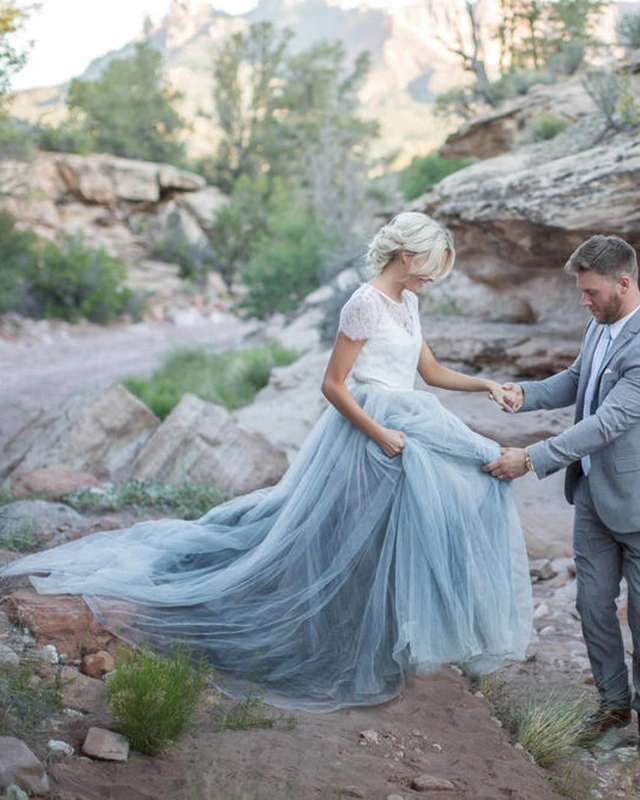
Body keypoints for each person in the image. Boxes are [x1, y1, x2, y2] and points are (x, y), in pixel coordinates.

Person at [1, 212, 532, 712]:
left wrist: (485, 383)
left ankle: (386, 639)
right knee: (335, 532)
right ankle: (317, 636)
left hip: (407, 421)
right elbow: (333, 384)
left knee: (459, 485)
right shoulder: (364, 303)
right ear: (409, 256)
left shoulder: (408, 305)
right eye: (432, 266)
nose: (434, 279)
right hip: (367, 430)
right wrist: (378, 434)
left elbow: (431, 371)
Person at [485, 234, 640, 742]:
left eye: (591, 291)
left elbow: (606, 423)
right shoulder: (598, 326)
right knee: (592, 604)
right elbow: (577, 381)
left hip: (637, 504)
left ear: (623, 283)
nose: (583, 300)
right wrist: (522, 394)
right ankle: (613, 706)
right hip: (593, 495)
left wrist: (531, 457)